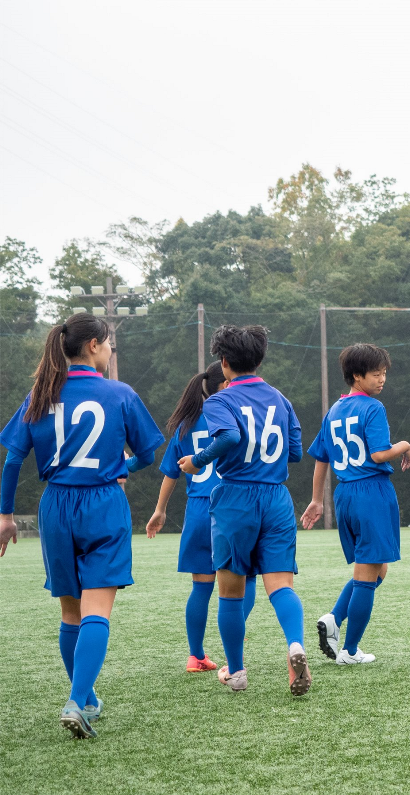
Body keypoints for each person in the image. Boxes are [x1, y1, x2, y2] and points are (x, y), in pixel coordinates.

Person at [0, 312, 164, 738]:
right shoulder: (120, 393)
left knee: (70, 612)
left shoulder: (40, 394)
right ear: (93, 345)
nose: (110, 351)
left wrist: (5, 517)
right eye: (109, 344)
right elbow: (147, 454)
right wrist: (122, 468)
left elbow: (13, 459)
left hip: (56, 506)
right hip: (103, 503)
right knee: (97, 611)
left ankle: (87, 699)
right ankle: (76, 701)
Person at [180, 324, 308, 695]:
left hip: (235, 497)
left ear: (224, 361)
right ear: (260, 359)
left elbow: (231, 436)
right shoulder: (281, 399)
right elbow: (295, 452)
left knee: (231, 592)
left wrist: (198, 461)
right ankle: (295, 645)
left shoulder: (219, 401)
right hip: (276, 497)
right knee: (280, 586)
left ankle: (236, 672)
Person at [302, 344, 410, 665]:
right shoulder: (373, 407)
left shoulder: (334, 410)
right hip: (371, 492)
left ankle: (335, 618)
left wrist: (316, 500)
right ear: (356, 376)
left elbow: (321, 459)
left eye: (384, 373)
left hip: (344, 495)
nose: (382, 379)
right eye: (376, 374)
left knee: (377, 569)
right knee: (366, 574)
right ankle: (349, 651)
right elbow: (379, 455)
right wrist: (404, 445)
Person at [146, 361, 248, 673]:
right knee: (245, 581)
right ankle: (232, 645)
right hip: (229, 505)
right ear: (224, 384)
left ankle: (196, 656)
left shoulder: (185, 425)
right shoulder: (233, 416)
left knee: (201, 588)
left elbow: (171, 472)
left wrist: (160, 509)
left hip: (197, 511)